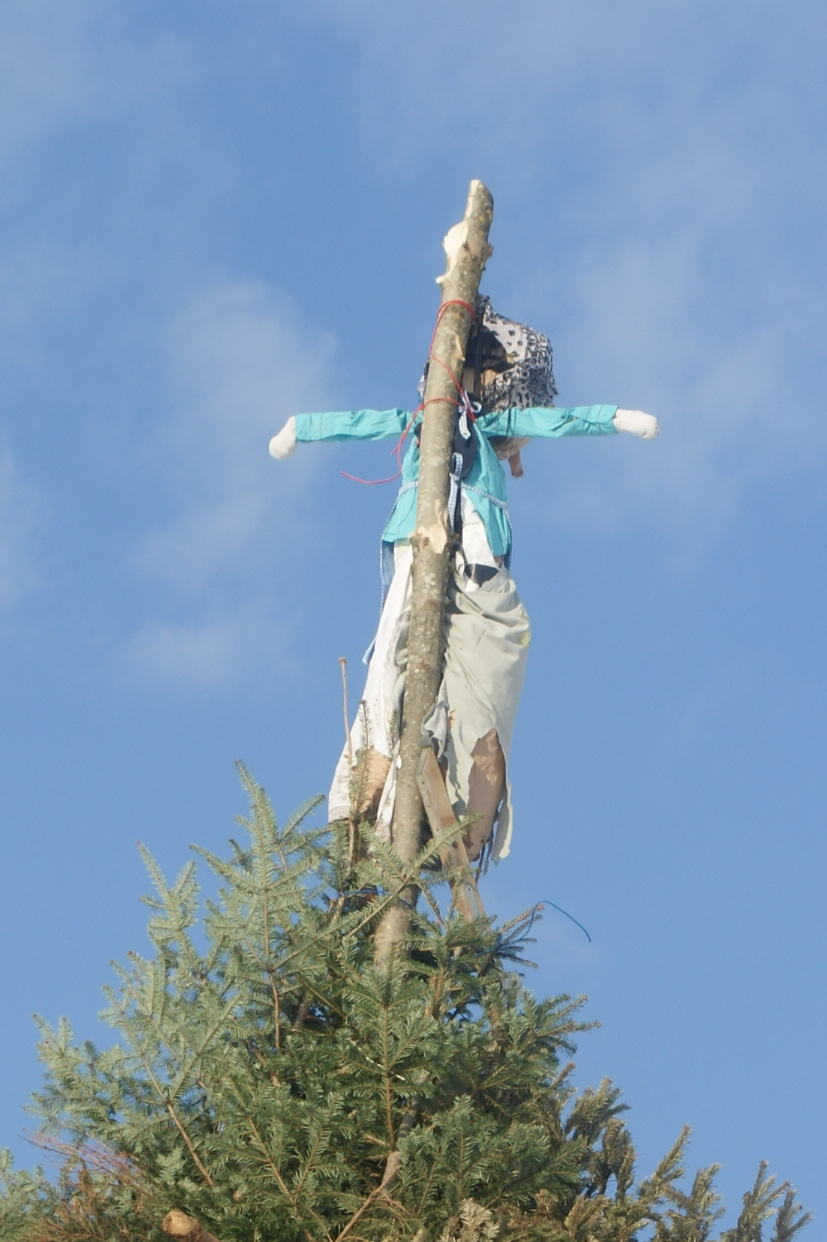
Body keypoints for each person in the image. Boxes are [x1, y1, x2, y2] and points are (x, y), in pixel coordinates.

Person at [269, 300, 656, 876]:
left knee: (481, 670)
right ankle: (374, 806)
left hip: (478, 562)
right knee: (394, 670)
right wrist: (299, 429)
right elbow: (360, 421)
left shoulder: (489, 429)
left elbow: (555, 421)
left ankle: (455, 804)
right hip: (419, 549)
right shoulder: (424, 424)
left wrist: (615, 417)